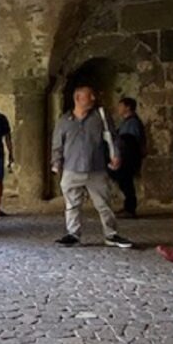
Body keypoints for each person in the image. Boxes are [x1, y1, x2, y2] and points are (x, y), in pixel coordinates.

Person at [51, 86, 133, 248]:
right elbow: (57, 144)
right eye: (90, 96)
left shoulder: (100, 117)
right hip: (71, 168)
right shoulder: (64, 121)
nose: (94, 99)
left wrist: (115, 154)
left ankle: (111, 234)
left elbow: (113, 138)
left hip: (96, 168)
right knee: (72, 204)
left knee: (104, 204)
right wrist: (56, 162)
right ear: (78, 98)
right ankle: (73, 234)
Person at [108, 96, 146, 218]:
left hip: (127, 159)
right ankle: (128, 207)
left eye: (121, 106)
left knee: (127, 183)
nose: (118, 108)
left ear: (128, 107)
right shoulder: (127, 122)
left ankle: (130, 209)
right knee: (125, 183)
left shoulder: (132, 123)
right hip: (126, 158)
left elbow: (128, 142)